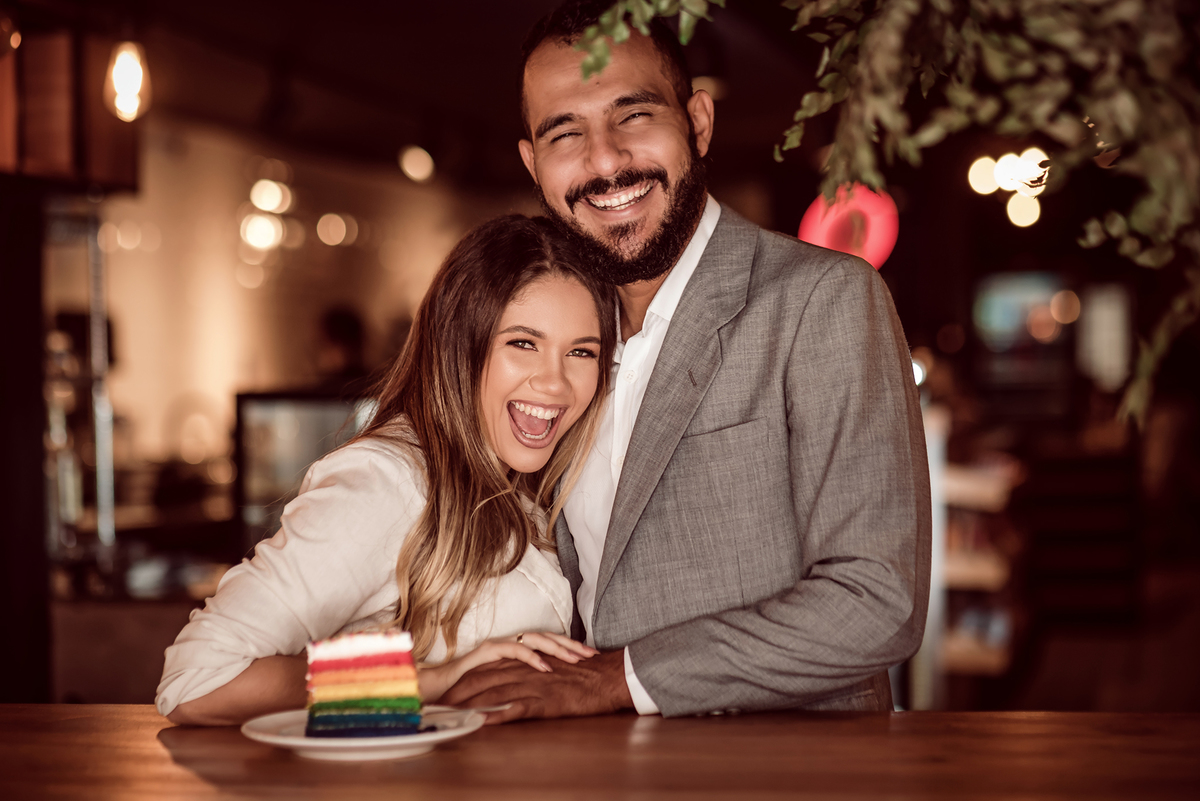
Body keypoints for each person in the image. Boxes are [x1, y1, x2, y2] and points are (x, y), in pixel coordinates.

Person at [441, 1, 931, 720]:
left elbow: (877, 601)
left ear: (697, 123)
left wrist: (616, 680)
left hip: (790, 763)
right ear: (533, 163)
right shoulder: (559, 347)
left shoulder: (822, 299)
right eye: (565, 133)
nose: (605, 160)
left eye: (633, 115)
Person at [157, 215, 617, 725]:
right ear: (460, 345)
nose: (555, 383)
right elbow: (198, 678)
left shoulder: (530, 483)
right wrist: (433, 682)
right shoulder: (387, 480)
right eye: (523, 343)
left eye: (581, 352)